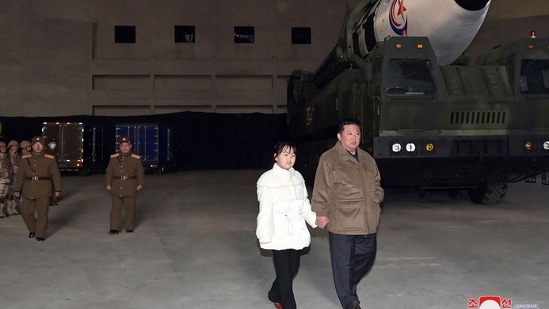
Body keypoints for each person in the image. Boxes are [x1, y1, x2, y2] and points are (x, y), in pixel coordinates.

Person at [311, 119, 384, 309]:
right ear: (339, 136)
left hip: (367, 220)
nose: (354, 138)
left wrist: (377, 195)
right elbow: (321, 187)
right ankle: (349, 301)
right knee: (343, 264)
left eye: (357, 133)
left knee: (367, 257)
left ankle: (346, 284)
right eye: (349, 134)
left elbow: (376, 181)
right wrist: (320, 212)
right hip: (342, 219)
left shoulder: (367, 158)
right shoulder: (329, 159)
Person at [256, 141, 317, 309]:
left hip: (295, 229)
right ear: (276, 157)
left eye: (293, 155)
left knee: (293, 267)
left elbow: (304, 203)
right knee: (284, 273)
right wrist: (265, 233)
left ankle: (274, 293)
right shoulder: (267, 179)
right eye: (285, 154)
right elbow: (265, 210)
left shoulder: (298, 176)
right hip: (278, 229)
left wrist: (314, 219)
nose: (290, 159)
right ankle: (288, 305)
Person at [14, 136, 62, 241]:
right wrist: (17, 189)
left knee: (42, 213)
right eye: (36, 145)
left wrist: (58, 189)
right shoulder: (25, 159)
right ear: (32, 146)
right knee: (25, 212)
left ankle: (40, 234)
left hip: (44, 189)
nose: (38, 146)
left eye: (40, 144)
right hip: (28, 188)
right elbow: (20, 175)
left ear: (43, 146)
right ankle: (33, 229)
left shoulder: (50, 159)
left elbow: (55, 174)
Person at [105, 136, 145, 235]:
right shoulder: (114, 158)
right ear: (119, 147)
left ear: (130, 146)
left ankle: (129, 226)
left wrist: (140, 183)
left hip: (130, 185)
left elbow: (140, 172)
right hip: (116, 186)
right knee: (115, 208)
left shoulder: (135, 159)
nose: (124, 147)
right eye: (122, 145)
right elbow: (109, 171)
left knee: (130, 208)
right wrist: (108, 183)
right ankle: (114, 228)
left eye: (126, 145)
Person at [6, 140, 21, 215]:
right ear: (10, 147)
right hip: (10, 176)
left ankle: (14, 208)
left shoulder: (18, 156)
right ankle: (9, 208)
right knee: (9, 193)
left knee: (16, 193)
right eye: (13, 146)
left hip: (17, 176)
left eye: (16, 146)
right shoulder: (7, 155)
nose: (15, 148)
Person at [0, 141, 13, 218]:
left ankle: (2, 211)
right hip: (1, 180)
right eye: (1, 147)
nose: (3, 149)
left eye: (4, 147)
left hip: (7, 180)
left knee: (4, 197)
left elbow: (10, 168)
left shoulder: (7, 158)